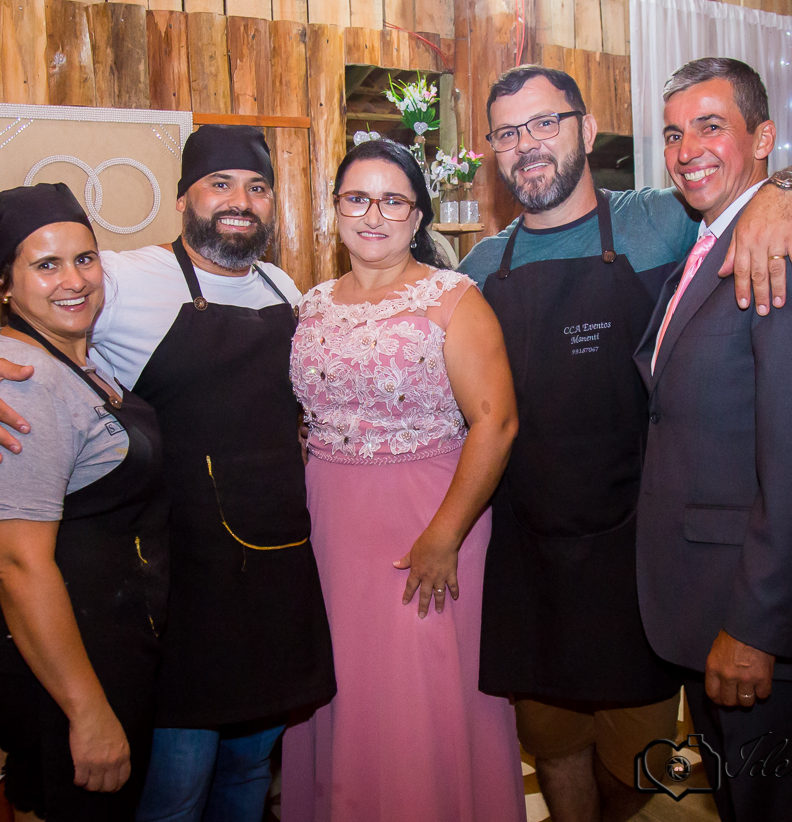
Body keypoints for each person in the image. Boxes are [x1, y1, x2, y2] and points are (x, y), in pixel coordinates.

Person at [457, 65, 792, 822]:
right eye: (507, 132)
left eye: (545, 123)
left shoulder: (665, 218)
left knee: (646, 761)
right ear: (493, 150)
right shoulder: (477, 269)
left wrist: (788, 190)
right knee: (555, 744)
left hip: (638, 554)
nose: (527, 143)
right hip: (528, 554)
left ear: (586, 130)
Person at [0, 126, 336, 822]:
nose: (239, 201)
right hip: (183, 581)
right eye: (219, 184)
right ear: (183, 199)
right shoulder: (121, 276)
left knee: (249, 770)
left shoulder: (283, 286)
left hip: (274, 569)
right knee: (176, 786)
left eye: (257, 187)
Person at [633, 58, 792, 822]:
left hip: (755, 624)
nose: (687, 150)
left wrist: (756, 629)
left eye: (710, 126)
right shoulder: (703, 247)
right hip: (705, 609)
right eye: (674, 134)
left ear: (763, 137)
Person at [281, 138, 525, 822]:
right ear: (335, 209)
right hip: (331, 523)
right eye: (357, 198)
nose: (373, 215)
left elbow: (497, 422)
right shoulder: (311, 304)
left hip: (430, 517)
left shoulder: (453, 299)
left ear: (417, 217)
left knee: (420, 690)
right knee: (342, 683)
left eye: (393, 201)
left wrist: (445, 535)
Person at [0, 182, 170, 821]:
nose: (73, 280)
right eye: (46, 265)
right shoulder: (21, 383)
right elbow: (15, 565)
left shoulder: (77, 357)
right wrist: (88, 711)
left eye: (84, 259)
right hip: (57, 663)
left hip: (100, 635)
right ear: (5, 284)